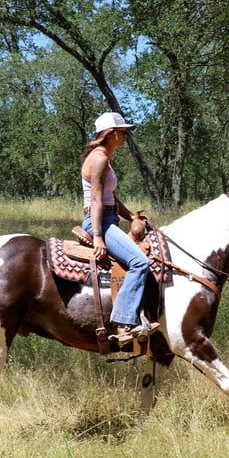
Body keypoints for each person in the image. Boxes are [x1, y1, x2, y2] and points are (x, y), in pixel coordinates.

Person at [81, 112, 158, 344]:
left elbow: (110, 197)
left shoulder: (105, 157)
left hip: (107, 218)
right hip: (100, 221)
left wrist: (131, 216)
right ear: (110, 133)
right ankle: (124, 322)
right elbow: (96, 200)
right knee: (140, 262)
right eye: (123, 131)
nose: (125, 135)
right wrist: (97, 236)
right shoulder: (99, 159)